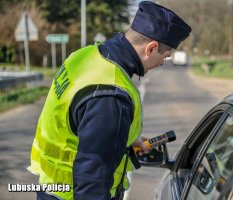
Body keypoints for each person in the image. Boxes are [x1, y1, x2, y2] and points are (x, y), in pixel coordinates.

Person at [28, 1, 191, 200]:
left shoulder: (84, 56)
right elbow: (91, 184)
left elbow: (78, 125)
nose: (161, 63)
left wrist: (122, 141)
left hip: (51, 189)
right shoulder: (112, 96)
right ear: (151, 48)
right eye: (165, 57)